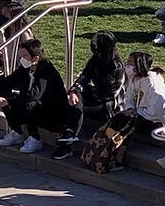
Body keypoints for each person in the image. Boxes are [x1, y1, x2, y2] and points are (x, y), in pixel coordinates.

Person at [0, 38, 67, 154]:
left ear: (35, 58)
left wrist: (7, 101)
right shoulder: (25, 68)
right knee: (4, 94)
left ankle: (35, 139)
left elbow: (34, 95)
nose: (22, 59)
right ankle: (17, 132)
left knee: (29, 103)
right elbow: (10, 80)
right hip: (33, 108)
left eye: (25, 56)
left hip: (52, 112)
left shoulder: (47, 71)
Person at [53, 30, 125, 158]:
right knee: (75, 100)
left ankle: (67, 142)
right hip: (96, 96)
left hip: (108, 105)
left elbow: (110, 93)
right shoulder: (96, 59)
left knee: (74, 108)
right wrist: (75, 90)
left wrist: (88, 92)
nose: (92, 44)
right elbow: (85, 76)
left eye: (94, 42)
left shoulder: (116, 66)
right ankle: (69, 135)